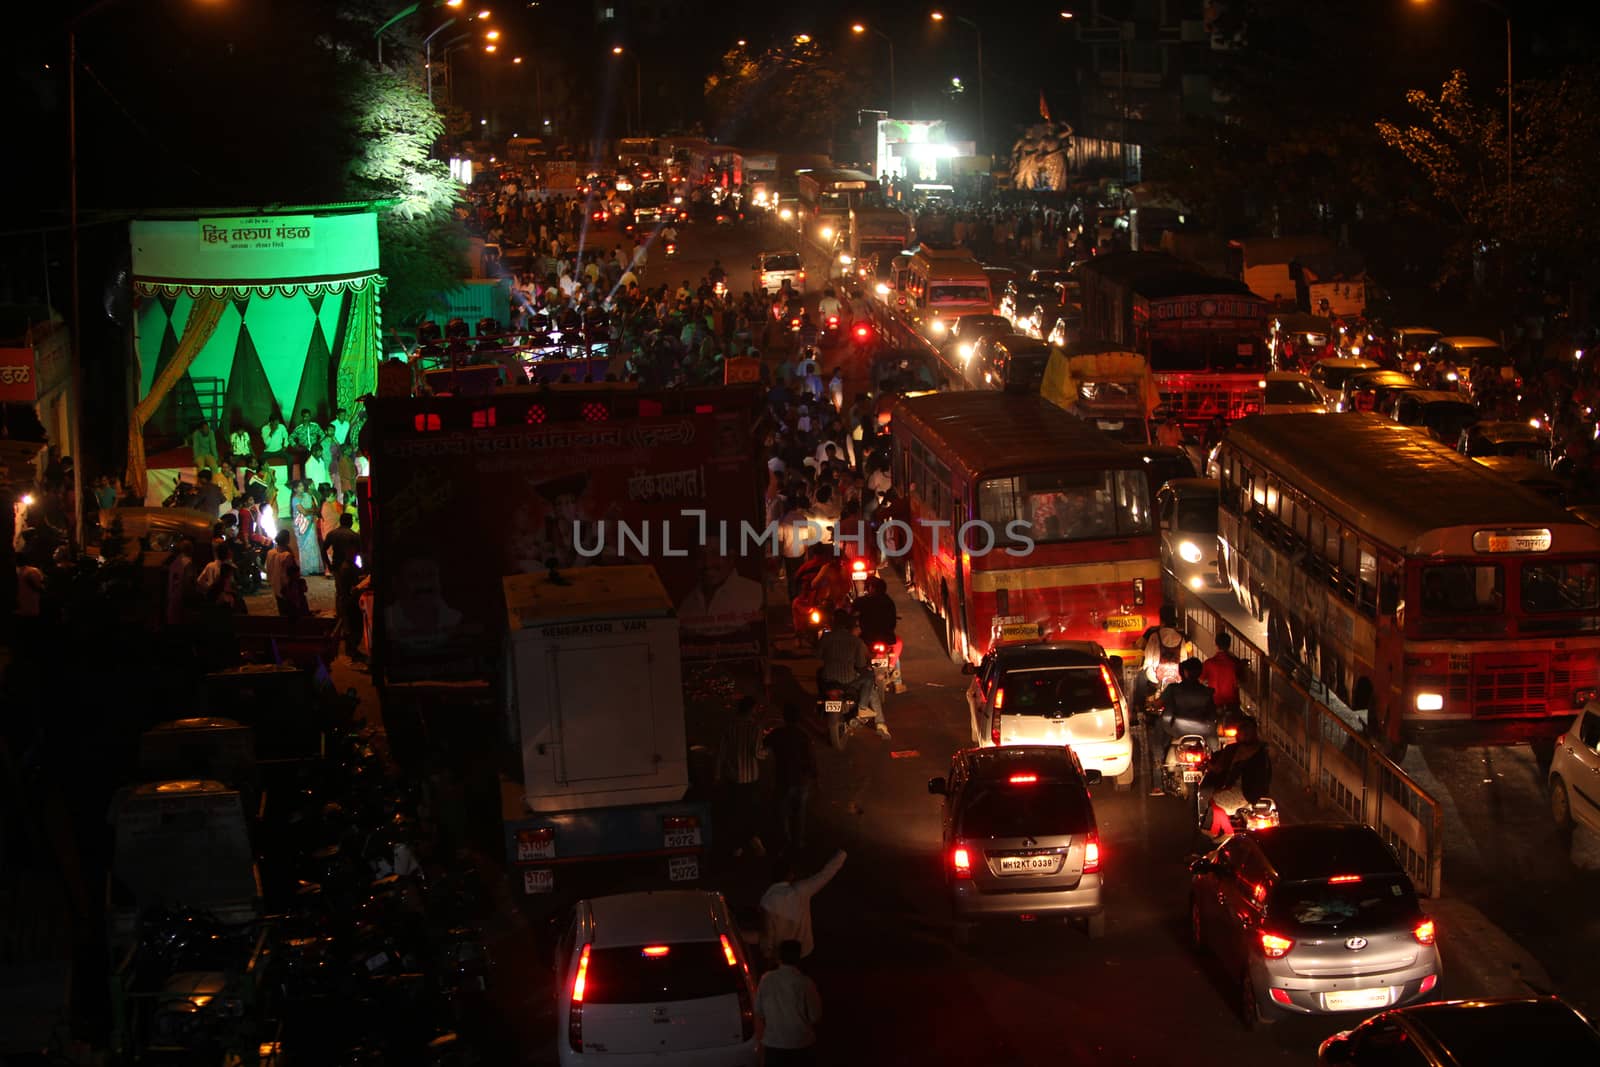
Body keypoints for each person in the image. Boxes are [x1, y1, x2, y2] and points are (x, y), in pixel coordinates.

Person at [760, 850, 847, 961]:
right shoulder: (801, 890)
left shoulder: (767, 900)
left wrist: (769, 955)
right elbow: (825, 874)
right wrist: (843, 853)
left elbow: (767, 936)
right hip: (805, 952)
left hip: (782, 959)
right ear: (790, 875)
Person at [815, 610, 889, 737]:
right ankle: (863, 707)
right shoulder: (855, 641)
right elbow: (860, 665)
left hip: (828, 679)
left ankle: (822, 697)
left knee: (819, 672)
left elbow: (817, 655)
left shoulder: (826, 637)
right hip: (847, 681)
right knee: (869, 677)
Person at [1201, 715, 1272, 835]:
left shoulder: (1237, 750)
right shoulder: (1261, 752)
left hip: (1243, 793)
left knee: (1213, 799)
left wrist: (1208, 764)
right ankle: (1215, 830)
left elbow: (1218, 769)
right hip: (1254, 792)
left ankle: (1224, 831)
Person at [715, 695, 768, 858]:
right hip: (751, 777)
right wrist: (767, 753)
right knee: (751, 809)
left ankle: (737, 846)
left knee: (735, 810)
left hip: (733, 776)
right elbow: (757, 752)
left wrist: (717, 774)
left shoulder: (729, 726)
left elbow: (721, 752)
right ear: (751, 709)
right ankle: (753, 840)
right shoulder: (755, 727)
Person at [755, 940, 822, 1066]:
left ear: (779, 957)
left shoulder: (766, 979)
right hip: (801, 1043)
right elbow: (815, 1015)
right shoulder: (806, 983)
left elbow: (758, 1009)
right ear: (799, 957)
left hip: (774, 1044)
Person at [764, 704, 818, 850]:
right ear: (799, 719)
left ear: (784, 717)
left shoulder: (777, 734)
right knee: (799, 814)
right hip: (801, 781)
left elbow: (763, 745)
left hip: (783, 780)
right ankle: (798, 842)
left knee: (782, 813)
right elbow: (811, 759)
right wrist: (814, 775)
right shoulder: (804, 736)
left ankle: (784, 841)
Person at [853, 576, 905, 694]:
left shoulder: (862, 601)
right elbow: (892, 622)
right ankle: (897, 682)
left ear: (870, 588)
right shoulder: (889, 601)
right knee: (896, 647)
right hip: (887, 638)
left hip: (867, 638)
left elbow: (852, 613)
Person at [1139, 604, 1195, 707]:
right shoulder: (1182, 637)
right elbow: (1185, 658)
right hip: (1177, 677)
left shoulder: (1154, 635)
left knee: (1140, 678)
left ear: (1161, 620)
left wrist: (1145, 667)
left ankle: (1140, 708)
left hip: (1156, 677)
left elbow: (1148, 660)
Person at [1200, 631, 1243, 711]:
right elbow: (1241, 680)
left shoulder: (1209, 663)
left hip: (1214, 703)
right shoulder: (1235, 663)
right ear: (1229, 645)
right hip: (1232, 703)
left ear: (1216, 645)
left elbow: (1201, 679)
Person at [291, 480, 324, 577]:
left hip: (310, 523)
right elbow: (304, 512)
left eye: (302, 486)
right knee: (304, 546)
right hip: (301, 524)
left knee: (312, 544)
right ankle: (306, 568)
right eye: (299, 486)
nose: (302, 488)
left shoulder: (307, 496)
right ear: (295, 489)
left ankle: (314, 567)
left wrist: (309, 511)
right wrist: (311, 511)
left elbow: (313, 509)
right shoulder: (295, 499)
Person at [265, 530, 296, 616]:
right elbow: (291, 571)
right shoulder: (286, 555)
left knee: (281, 607)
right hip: (285, 584)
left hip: (275, 582)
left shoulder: (270, 553)